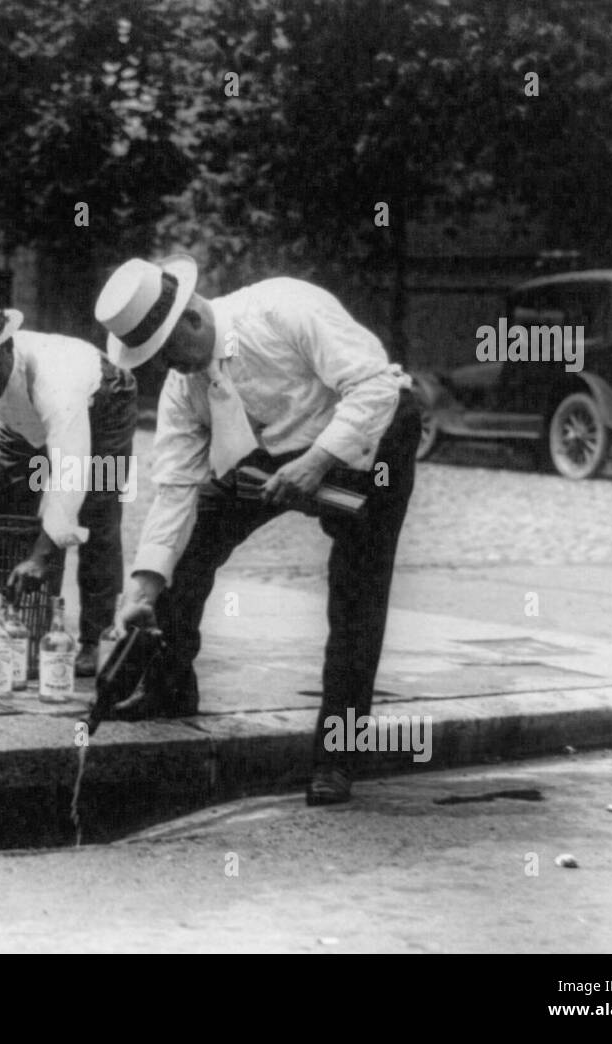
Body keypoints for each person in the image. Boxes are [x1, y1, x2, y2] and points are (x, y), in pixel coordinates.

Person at [94, 255, 419, 805]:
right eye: (157, 362)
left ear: (193, 319)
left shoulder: (283, 308)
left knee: (356, 600)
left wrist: (317, 462)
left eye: (171, 353)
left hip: (371, 438)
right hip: (267, 456)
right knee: (190, 549)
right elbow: (174, 488)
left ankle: (336, 758)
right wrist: (142, 587)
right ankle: (170, 687)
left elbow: (375, 386)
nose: (173, 370)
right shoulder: (184, 383)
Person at [0, 292, 137, 676]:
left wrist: (40, 557)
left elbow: (70, 473)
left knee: (97, 518)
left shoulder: (56, 379)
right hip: (20, 426)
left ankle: (94, 641)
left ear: (6, 348)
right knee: (2, 514)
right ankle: (5, 623)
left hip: (102, 402)